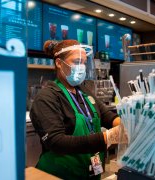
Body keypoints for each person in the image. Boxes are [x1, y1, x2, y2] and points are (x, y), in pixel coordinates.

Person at [30, 39, 125, 180]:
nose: (81, 67)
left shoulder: (83, 91)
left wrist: (124, 127)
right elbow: (57, 142)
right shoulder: (46, 98)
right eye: (76, 62)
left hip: (88, 172)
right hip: (59, 175)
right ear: (59, 63)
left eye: (84, 62)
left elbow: (106, 116)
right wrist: (108, 137)